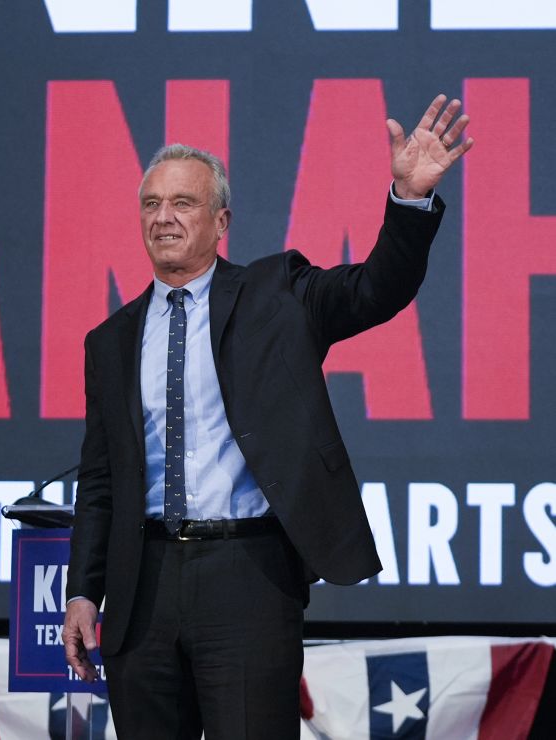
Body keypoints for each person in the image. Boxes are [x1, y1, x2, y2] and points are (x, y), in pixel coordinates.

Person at [62, 94, 473, 738]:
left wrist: (408, 199)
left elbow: (376, 289)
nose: (164, 218)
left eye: (183, 203)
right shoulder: (109, 340)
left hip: (246, 576)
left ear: (221, 220)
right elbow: (101, 479)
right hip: (140, 585)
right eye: (151, 204)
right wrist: (83, 590)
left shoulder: (276, 292)